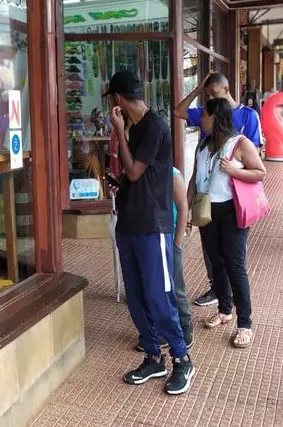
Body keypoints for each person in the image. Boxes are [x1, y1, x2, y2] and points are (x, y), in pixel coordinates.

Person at [106, 70, 196, 395]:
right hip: (129, 225)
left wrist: (119, 131)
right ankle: (153, 357)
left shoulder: (156, 126)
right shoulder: (135, 128)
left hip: (152, 227)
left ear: (117, 99)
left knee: (159, 296)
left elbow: (134, 171)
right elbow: (135, 179)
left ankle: (182, 359)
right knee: (136, 297)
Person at [174, 72, 261, 308]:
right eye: (206, 96)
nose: (209, 99)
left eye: (213, 94)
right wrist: (198, 89)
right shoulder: (205, 130)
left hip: (235, 201)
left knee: (234, 259)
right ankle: (221, 298)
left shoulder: (247, 117)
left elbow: (256, 163)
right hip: (208, 201)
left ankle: (241, 315)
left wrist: (235, 169)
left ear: (227, 90)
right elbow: (179, 112)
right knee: (214, 256)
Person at [187, 98, 266, 348]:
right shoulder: (203, 145)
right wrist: (187, 210)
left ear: (216, 117)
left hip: (232, 211)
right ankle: (224, 310)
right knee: (216, 262)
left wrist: (235, 171)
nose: (201, 119)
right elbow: (194, 179)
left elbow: (260, 172)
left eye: (204, 115)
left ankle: (245, 324)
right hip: (206, 211)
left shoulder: (240, 143)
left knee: (235, 265)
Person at [132, 166, 192, 353]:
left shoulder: (173, 175)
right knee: (154, 287)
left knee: (175, 285)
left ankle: (185, 325)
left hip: (170, 238)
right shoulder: (140, 174)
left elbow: (183, 208)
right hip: (151, 239)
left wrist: (177, 243)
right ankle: (159, 330)